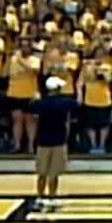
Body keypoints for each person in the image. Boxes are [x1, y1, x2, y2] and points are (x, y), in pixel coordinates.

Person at [32, 77, 79, 211]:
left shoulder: (39, 103)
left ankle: (40, 197)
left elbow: (33, 113)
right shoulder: (66, 102)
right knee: (54, 173)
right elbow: (75, 110)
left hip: (42, 141)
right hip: (59, 140)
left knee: (42, 173)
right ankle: (52, 197)